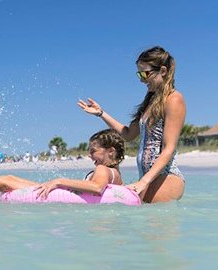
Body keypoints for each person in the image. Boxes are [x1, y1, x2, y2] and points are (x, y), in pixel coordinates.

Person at [78, 46, 185, 203]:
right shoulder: (150, 102)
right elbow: (128, 134)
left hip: (165, 178)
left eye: (145, 73)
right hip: (149, 179)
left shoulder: (174, 99)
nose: (142, 79)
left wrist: (144, 182)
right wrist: (101, 113)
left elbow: (169, 149)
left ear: (162, 71)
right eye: (139, 74)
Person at [0, 129, 125, 199]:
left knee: (5, 182)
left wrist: (60, 181)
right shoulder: (115, 173)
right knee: (8, 180)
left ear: (110, 151)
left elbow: (97, 187)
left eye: (93, 151)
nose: (90, 156)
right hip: (62, 195)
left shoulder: (103, 169)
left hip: (60, 194)